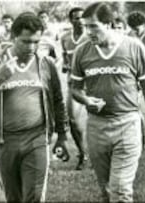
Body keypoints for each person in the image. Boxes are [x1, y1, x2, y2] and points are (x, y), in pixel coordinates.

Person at [0, 12, 69, 202]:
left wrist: (62, 136)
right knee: (13, 198)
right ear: (13, 37)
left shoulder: (46, 64)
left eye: (36, 42)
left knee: (34, 197)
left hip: (37, 138)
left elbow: (58, 100)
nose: (31, 47)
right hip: (5, 141)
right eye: (25, 41)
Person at [70, 3, 145, 202]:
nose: (88, 32)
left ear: (109, 23)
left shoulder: (133, 47)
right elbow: (74, 89)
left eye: (94, 26)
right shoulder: (82, 51)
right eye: (86, 27)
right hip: (96, 126)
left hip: (127, 123)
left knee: (120, 190)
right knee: (106, 191)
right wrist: (86, 100)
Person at [60, 7, 88, 170]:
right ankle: (82, 153)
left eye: (83, 17)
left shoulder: (91, 37)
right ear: (71, 20)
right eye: (76, 18)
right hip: (74, 84)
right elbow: (65, 58)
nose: (80, 20)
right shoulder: (65, 38)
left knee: (104, 119)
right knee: (73, 121)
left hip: (93, 83)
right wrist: (66, 65)